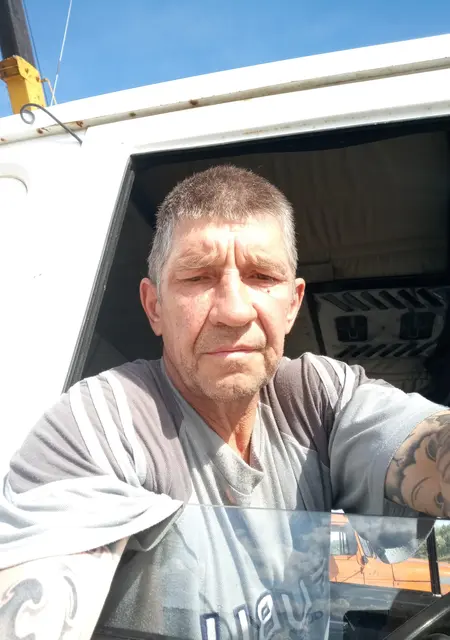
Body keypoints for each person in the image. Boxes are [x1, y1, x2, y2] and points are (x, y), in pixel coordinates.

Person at [0, 164, 449, 640]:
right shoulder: (108, 421)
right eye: (198, 277)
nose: (234, 311)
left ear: (293, 304)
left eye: (262, 276)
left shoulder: (316, 397)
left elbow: (430, 440)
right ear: (154, 306)